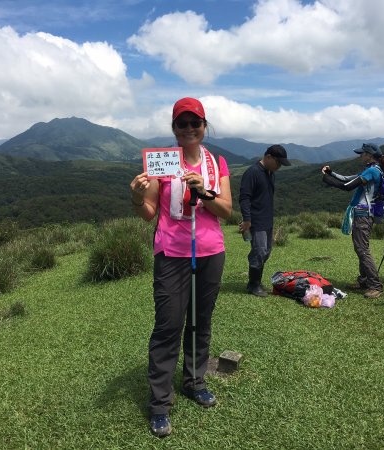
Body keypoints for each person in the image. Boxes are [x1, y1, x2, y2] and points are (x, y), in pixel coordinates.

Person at [129, 97, 232, 437]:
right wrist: (137, 195)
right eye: (182, 124)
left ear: (204, 126)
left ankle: (194, 380)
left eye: (195, 123)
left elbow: (226, 212)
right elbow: (148, 213)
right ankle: (160, 403)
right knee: (169, 325)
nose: (188, 129)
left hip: (210, 251)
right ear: (173, 128)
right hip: (171, 252)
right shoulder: (163, 163)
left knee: (201, 321)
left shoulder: (217, 164)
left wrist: (203, 192)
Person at [321, 143, 384, 299]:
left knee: (362, 250)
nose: (360, 156)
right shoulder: (372, 169)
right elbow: (347, 178)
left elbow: (347, 186)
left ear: (369, 155)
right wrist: (331, 173)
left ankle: (375, 285)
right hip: (364, 214)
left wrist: (326, 179)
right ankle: (364, 280)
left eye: (362, 154)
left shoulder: (372, 171)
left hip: (363, 215)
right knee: (361, 248)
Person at [239, 145, 291, 297]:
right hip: (256, 220)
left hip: (267, 219)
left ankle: (256, 281)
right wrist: (247, 219)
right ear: (268, 157)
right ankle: (253, 284)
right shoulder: (252, 172)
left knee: (266, 252)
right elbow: (244, 198)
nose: (279, 166)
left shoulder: (270, 173)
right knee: (259, 251)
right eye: (278, 162)